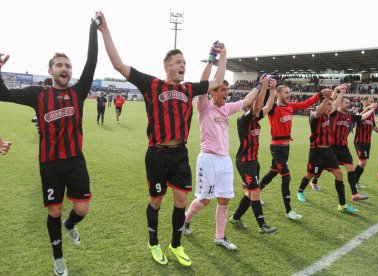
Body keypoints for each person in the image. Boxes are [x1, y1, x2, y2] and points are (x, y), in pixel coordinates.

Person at [96, 11, 226, 266]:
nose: (182, 65)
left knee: (181, 201)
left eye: (184, 62)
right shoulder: (152, 84)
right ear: (167, 66)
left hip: (179, 153)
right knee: (155, 201)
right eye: (178, 61)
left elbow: (218, 80)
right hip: (156, 154)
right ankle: (153, 242)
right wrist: (105, 31)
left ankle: (175, 245)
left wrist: (222, 56)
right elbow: (119, 65)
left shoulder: (189, 88)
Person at [0, 18, 98, 276]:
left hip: (76, 161)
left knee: (82, 209)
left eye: (67, 65)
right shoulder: (37, 95)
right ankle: (58, 259)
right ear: (51, 70)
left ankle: (70, 225)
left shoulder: (78, 92)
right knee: (53, 210)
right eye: (59, 65)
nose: (64, 68)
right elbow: (4, 94)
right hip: (50, 165)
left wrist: (93, 28)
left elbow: (91, 63)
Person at [183, 54, 266, 251]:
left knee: (224, 199)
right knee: (204, 199)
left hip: (225, 161)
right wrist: (214, 58)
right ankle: (185, 220)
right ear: (212, 92)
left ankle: (219, 237)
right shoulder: (204, 106)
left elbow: (247, 100)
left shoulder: (227, 109)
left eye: (227, 90)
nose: (226, 93)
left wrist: (259, 86)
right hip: (208, 159)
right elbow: (204, 82)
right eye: (222, 90)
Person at [259, 83, 328, 220]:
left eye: (289, 92)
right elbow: (267, 101)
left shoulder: (290, 106)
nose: (288, 94)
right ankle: (289, 210)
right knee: (286, 176)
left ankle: (254, 192)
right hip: (277, 147)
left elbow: (305, 103)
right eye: (286, 92)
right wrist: (270, 89)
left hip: (286, 147)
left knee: (273, 172)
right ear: (278, 94)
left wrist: (320, 94)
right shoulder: (273, 108)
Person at [296, 90, 359, 213]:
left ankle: (342, 204)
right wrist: (326, 99)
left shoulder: (329, 116)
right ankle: (300, 191)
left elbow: (335, 105)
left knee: (339, 174)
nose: (331, 107)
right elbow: (319, 111)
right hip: (316, 152)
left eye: (331, 105)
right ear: (322, 105)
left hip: (329, 152)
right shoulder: (314, 115)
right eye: (328, 105)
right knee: (310, 174)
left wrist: (338, 94)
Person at [229, 75, 278, 234]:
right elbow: (258, 106)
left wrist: (273, 90)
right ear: (247, 108)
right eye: (253, 106)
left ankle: (236, 218)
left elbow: (268, 106)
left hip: (253, 161)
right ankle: (262, 225)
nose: (257, 108)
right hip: (244, 162)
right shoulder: (243, 119)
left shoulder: (256, 119)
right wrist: (263, 86)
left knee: (250, 192)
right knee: (255, 191)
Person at [328, 88, 376, 201]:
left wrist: (372, 109)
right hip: (332, 147)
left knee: (350, 168)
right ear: (340, 103)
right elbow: (333, 104)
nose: (348, 104)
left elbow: (362, 117)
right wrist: (341, 93)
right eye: (346, 102)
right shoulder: (334, 113)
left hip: (344, 147)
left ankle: (355, 194)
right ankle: (311, 183)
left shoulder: (350, 115)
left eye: (349, 102)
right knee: (320, 168)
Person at [354, 96, 378, 188]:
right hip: (360, 140)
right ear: (365, 102)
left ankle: (356, 182)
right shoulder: (359, 111)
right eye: (371, 101)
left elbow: (374, 127)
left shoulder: (371, 114)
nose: (373, 103)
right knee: (363, 162)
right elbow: (357, 118)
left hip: (367, 141)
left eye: (373, 101)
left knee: (362, 163)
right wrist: (368, 108)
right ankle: (353, 181)